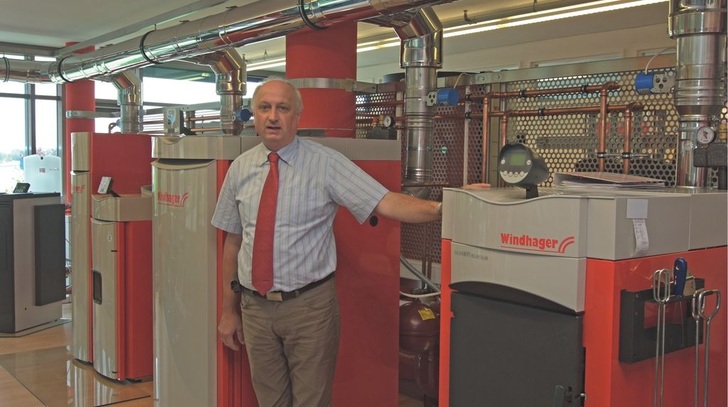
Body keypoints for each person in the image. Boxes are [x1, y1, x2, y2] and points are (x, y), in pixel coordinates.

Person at [212, 77, 457, 406]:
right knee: (269, 400)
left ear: (297, 117)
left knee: (311, 401)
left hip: (309, 309)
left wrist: (446, 208)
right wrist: (229, 311)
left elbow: (383, 201)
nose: (273, 117)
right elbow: (233, 241)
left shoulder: (325, 163)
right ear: (253, 115)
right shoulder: (240, 169)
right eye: (264, 108)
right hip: (254, 309)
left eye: (283, 109)